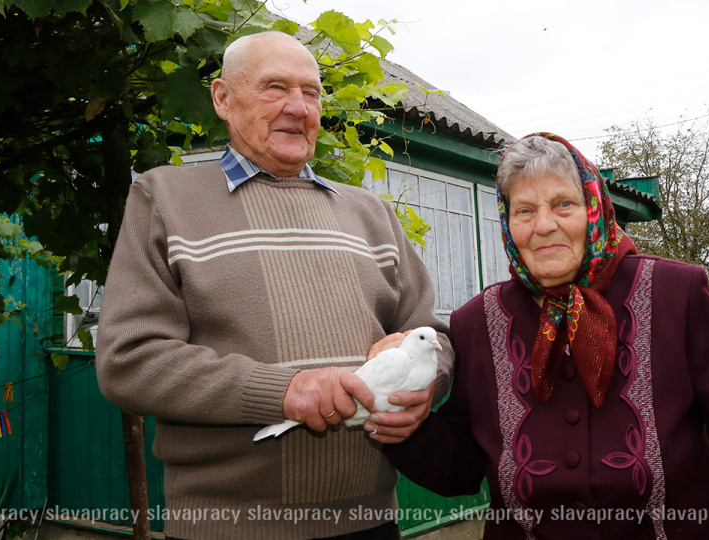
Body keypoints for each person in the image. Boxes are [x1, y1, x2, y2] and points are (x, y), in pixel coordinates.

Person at [384, 133, 709, 539]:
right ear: (507, 223)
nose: (544, 226)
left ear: (593, 208)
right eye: (525, 210)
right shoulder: (478, 322)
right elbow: (461, 467)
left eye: (563, 204)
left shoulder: (675, 295)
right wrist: (402, 425)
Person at [95, 31, 452, 540]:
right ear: (223, 97)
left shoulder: (371, 213)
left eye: (311, 92)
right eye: (274, 87)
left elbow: (434, 336)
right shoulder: (165, 198)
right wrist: (282, 390)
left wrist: (426, 384)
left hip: (370, 521)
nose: (298, 107)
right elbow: (129, 360)